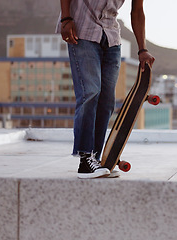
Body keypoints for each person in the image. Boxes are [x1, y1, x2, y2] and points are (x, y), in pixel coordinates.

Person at [56, 0, 155, 179]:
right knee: (90, 92)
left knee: (107, 101)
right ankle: (85, 159)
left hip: (111, 38)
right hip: (81, 32)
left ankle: (96, 158)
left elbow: (137, 11)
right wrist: (65, 18)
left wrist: (142, 49)